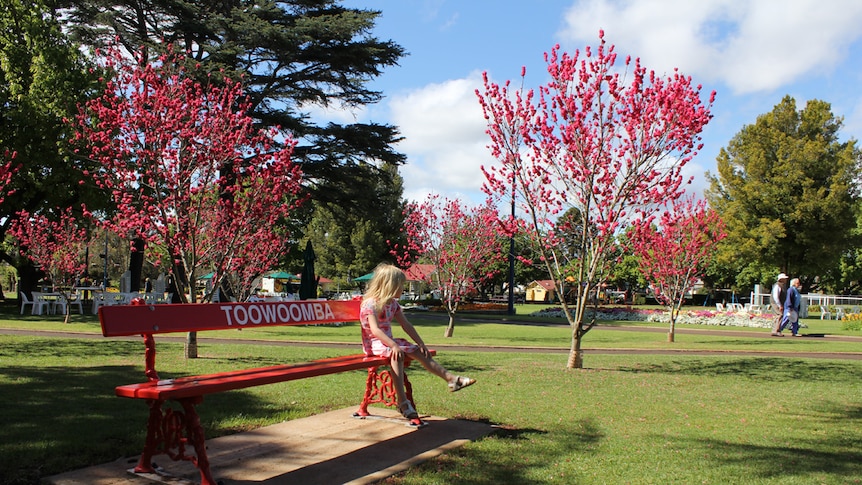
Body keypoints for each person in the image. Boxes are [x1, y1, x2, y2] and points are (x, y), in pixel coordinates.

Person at [359, 263, 476, 420]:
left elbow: (406, 325)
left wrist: (421, 344)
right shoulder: (370, 304)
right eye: (401, 286)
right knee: (397, 354)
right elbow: (375, 330)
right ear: (390, 286)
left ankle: (452, 379)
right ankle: (402, 402)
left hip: (389, 342)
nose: (403, 289)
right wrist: (393, 345)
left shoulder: (393, 304)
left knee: (417, 351)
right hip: (375, 344)